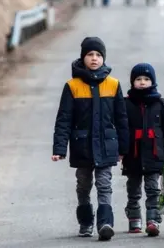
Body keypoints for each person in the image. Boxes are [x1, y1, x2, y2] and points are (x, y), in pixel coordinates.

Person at [52, 37, 129, 241]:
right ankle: (85, 222)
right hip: (82, 146)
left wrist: (123, 147)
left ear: (103, 58)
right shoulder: (72, 86)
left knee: (104, 184)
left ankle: (105, 223)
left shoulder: (113, 85)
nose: (94, 59)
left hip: (106, 145)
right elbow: (64, 119)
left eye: (98, 55)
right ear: (83, 57)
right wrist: (59, 148)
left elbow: (121, 119)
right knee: (83, 184)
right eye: (90, 55)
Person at [122, 63, 164, 237]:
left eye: (146, 79)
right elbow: (121, 130)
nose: (143, 82)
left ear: (153, 81)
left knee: (153, 189)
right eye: (138, 79)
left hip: (154, 155)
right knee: (133, 189)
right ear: (132, 82)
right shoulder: (126, 104)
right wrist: (120, 151)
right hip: (133, 155)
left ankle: (153, 220)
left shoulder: (161, 104)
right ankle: (134, 217)